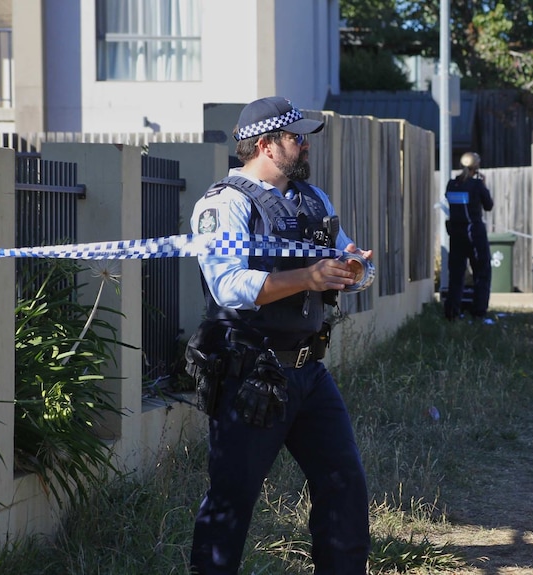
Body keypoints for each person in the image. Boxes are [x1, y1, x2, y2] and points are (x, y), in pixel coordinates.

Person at [186, 96, 372, 574]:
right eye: (296, 138)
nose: (305, 146)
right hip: (250, 372)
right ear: (266, 145)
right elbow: (227, 286)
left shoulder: (314, 200)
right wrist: (307, 278)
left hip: (309, 371)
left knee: (344, 484)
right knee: (231, 502)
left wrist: (353, 269)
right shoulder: (224, 203)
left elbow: (346, 264)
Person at [444, 151, 494, 320]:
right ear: (476, 167)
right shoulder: (477, 185)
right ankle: (479, 311)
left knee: (456, 274)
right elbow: (488, 205)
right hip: (475, 235)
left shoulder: (451, 184)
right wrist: (483, 184)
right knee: (482, 271)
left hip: (456, 235)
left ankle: (452, 312)